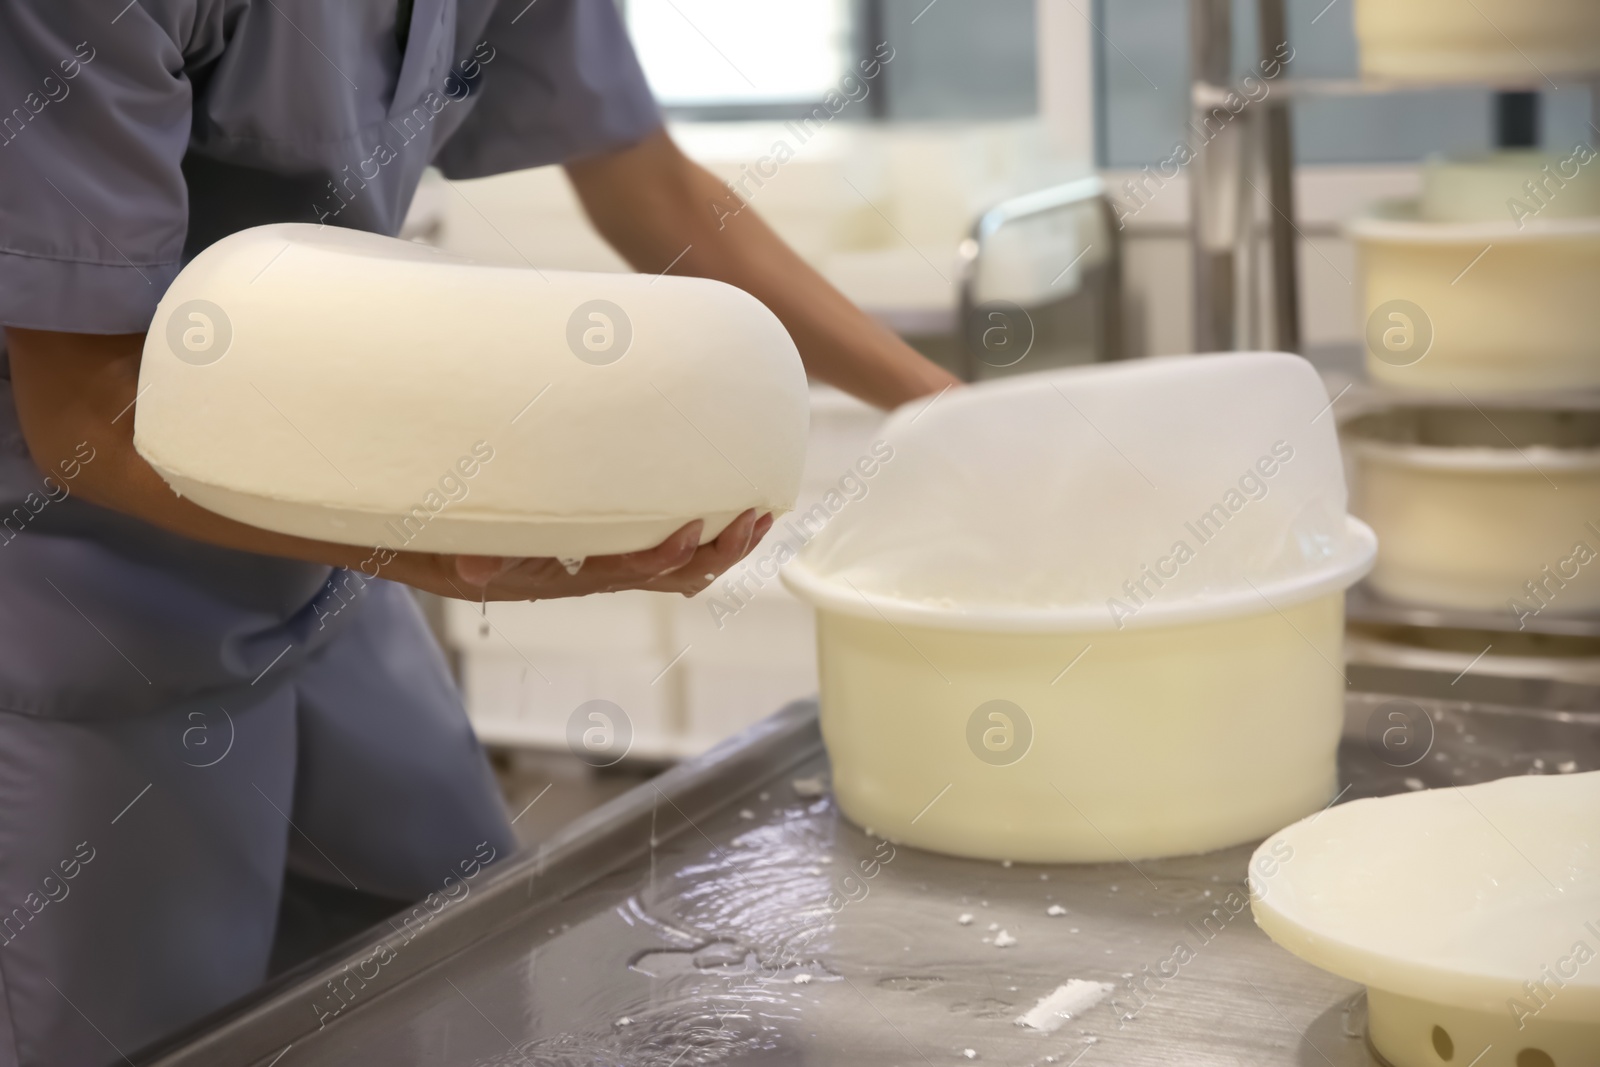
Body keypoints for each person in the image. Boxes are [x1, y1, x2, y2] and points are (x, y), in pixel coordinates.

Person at [0, 2, 957, 1063]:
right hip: (79, 581)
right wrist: (448, 551)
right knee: (142, 1023)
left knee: (447, 962)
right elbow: (85, 414)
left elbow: (648, 182)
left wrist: (940, 409)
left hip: (318, 550)